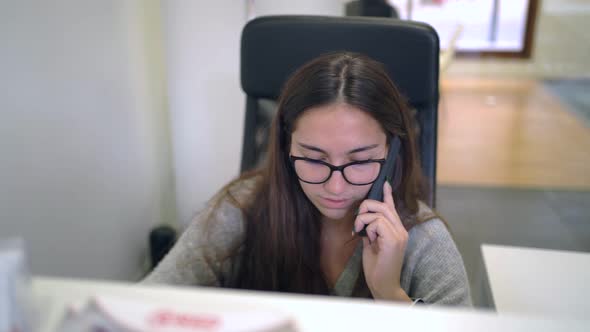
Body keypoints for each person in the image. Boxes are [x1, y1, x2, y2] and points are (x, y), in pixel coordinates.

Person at [143, 52, 472, 306]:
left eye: (359, 161)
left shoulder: (425, 241)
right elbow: (144, 304)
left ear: (392, 151)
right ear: (286, 146)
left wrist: (390, 294)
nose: (335, 187)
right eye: (314, 158)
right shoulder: (241, 208)